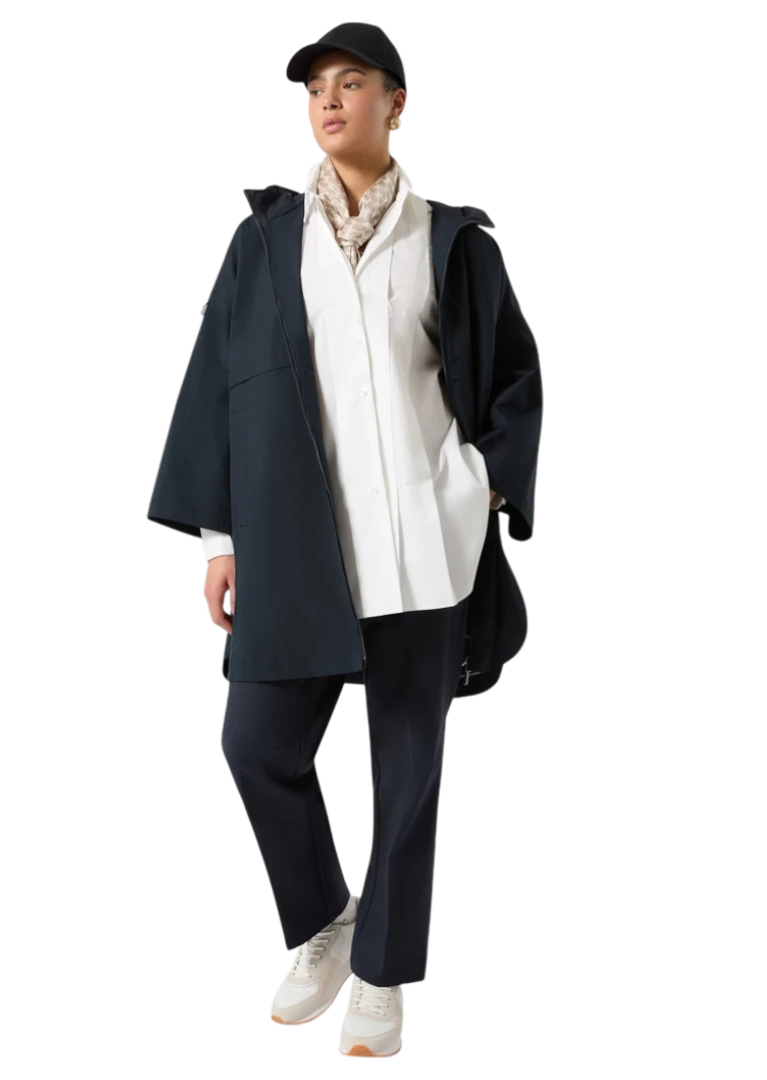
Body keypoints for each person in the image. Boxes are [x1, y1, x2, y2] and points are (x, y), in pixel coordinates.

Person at [146, 22, 542, 1059]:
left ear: (396, 103)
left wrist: (480, 490)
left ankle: (382, 974)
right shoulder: (267, 241)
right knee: (256, 746)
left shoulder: (451, 237)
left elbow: (515, 377)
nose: (328, 101)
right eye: (316, 87)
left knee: (405, 778)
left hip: (423, 543)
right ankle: (326, 919)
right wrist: (220, 538)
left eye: (352, 83)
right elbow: (215, 389)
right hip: (296, 548)